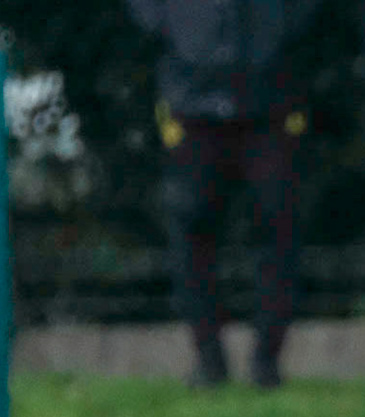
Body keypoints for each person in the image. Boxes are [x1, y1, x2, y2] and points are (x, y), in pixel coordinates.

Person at [130, 0, 316, 389]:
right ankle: (208, 361)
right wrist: (180, 29)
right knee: (192, 228)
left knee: (277, 226)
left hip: (271, 102)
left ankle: (267, 362)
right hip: (190, 105)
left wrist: (274, 33)